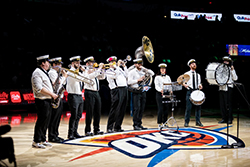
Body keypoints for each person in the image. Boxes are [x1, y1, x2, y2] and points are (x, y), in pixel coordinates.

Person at [31, 55, 58, 148]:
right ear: (43, 63)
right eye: (47, 62)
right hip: (41, 100)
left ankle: (43, 139)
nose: (49, 64)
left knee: (46, 121)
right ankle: (36, 140)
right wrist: (52, 94)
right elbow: (39, 88)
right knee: (41, 120)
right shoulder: (37, 73)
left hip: (47, 100)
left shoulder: (44, 72)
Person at [128, 58, 155, 130]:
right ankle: (135, 124)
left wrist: (144, 68)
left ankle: (139, 124)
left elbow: (152, 73)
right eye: (138, 63)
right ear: (135, 64)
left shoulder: (143, 70)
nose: (140, 65)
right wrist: (138, 80)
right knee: (137, 108)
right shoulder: (132, 72)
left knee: (142, 108)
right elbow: (129, 82)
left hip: (143, 91)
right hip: (136, 91)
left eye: (141, 63)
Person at [83, 56, 105, 136]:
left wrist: (102, 69)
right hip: (89, 92)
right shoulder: (85, 72)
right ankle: (87, 130)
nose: (93, 64)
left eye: (93, 62)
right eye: (91, 62)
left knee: (97, 111)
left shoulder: (94, 71)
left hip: (96, 92)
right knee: (90, 112)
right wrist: (99, 68)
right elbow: (92, 75)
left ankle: (96, 129)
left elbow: (102, 77)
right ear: (87, 63)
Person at [106, 56, 128, 133]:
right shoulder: (108, 71)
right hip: (116, 90)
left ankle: (117, 126)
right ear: (109, 63)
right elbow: (115, 75)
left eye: (115, 61)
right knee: (114, 109)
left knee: (122, 109)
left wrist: (124, 66)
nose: (114, 63)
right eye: (112, 62)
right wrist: (118, 66)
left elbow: (127, 75)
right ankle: (109, 127)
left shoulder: (120, 69)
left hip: (124, 89)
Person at [48, 57, 67, 143]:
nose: (60, 66)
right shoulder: (52, 72)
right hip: (55, 98)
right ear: (54, 64)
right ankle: (52, 136)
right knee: (54, 118)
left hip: (59, 97)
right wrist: (64, 77)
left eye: (61, 64)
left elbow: (63, 83)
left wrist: (63, 76)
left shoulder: (56, 73)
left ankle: (55, 134)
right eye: (58, 64)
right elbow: (57, 85)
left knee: (58, 118)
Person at [66, 56, 85, 140]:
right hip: (73, 95)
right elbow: (78, 79)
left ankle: (75, 132)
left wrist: (84, 72)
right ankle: (70, 134)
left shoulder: (78, 72)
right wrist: (81, 72)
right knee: (73, 115)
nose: (79, 64)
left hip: (79, 95)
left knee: (78, 115)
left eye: (79, 63)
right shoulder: (70, 72)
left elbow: (84, 78)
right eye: (77, 63)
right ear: (73, 63)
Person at [183, 59, 203, 127]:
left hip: (196, 92)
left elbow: (199, 83)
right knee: (188, 108)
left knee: (198, 107)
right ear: (190, 66)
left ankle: (198, 121)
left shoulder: (198, 75)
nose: (194, 65)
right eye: (192, 64)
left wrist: (200, 86)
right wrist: (184, 85)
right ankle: (186, 122)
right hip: (190, 91)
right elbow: (182, 82)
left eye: (195, 63)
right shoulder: (187, 74)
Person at [218, 56, 238, 124]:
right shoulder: (220, 70)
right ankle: (224, 118)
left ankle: (229, 118)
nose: (225, 62)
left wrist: (232, 70)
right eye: (224, 61)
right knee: (222, 104)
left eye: (227, 61)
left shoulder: (230, 69)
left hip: (228, 87)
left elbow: (235, 78)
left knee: (228, 104)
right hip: (221, 87)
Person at [154, 63, 172, 130]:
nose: (163, 70)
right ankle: (159, 123)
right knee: (160, 109)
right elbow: (156, 86)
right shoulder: (157, 77)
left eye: (164, 69)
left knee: (166, 109)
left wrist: (171, 91)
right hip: (160, 93)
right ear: (160, 70)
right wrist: (160, 90)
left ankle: (165, 122)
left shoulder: (168, 77)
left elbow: (170, 85)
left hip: (167, 93)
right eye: (161, 69)